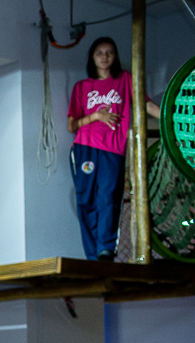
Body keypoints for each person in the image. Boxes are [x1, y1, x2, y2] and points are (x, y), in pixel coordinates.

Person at [67, 36, 161, 261]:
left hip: (113, 149)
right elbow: (71, 125)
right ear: (92, 57)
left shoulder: (124, 79)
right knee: (85, 200)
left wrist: (173, 119)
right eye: (99, 53)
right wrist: (96, 116)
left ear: (115, 57)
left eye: (109, 52)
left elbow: (146, 104)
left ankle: (105, 250)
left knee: (108, 198)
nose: (104, 57)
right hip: (85, 148)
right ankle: (92, 255)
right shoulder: (82, 87)